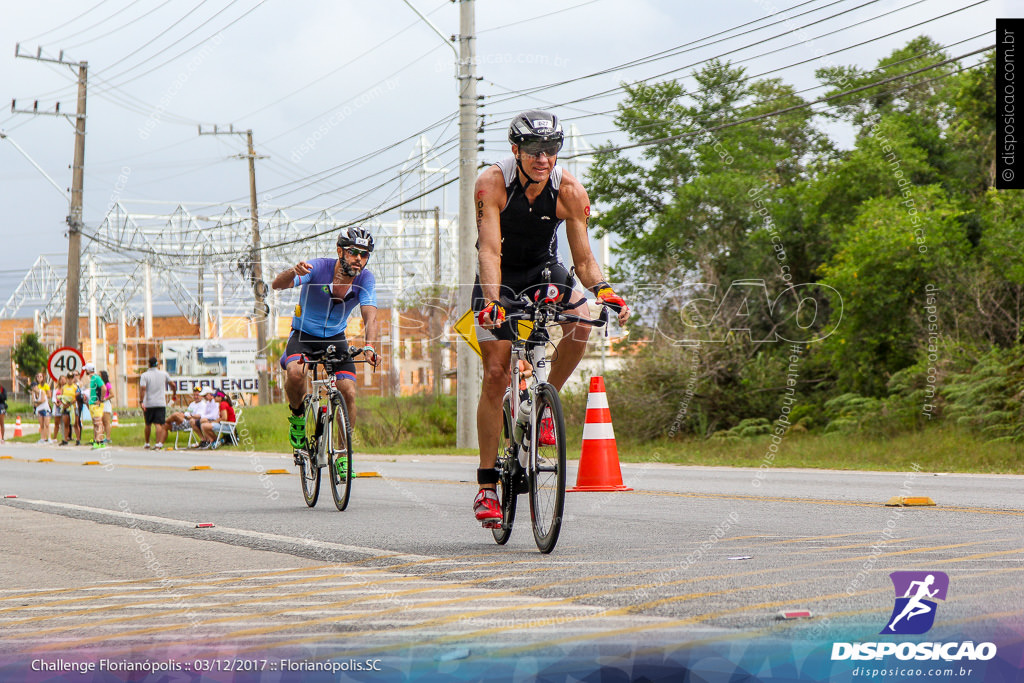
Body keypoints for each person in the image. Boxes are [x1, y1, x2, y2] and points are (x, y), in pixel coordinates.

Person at [471, 110, 631, 528]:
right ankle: (487, 484)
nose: (544, 158)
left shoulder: (570, 191)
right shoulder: (491, 183)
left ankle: (544, 405)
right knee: (494, 373)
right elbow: (489, 251)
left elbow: (583, 258)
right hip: (499, 277)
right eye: (534, 150)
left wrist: (604, 291)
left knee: (582, 318)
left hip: (544, 270)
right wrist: (492, 301)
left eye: (552, 149)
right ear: (516, 150)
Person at [271, 226, 381, 460]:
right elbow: (276, 285)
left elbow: (370, 316)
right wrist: (293, 271)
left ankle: (342, 455)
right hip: (304, 335)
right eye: (354, 253)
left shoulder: (366, 279)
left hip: (335, 338)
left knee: (348, 391)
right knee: (295, 373)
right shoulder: (318, 267)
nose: (359, 259)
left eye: (364, 255)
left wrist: (370, 346)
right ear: (340, 251)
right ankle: (298, 418)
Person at [139, 357, 174, 450]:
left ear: (149, 364)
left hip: (149, 402)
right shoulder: (163, 374)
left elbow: (143, 389)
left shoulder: (145, 375)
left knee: (148, 424)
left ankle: (147, 443)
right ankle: (158, 443)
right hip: (160, 402)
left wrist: (141, 401)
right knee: (159, 424)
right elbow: (173, 385)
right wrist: (174, 394)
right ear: (157, 364)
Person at [82, 363, 107, 450]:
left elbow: (104, 388)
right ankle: (99, 440)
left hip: (97, 404)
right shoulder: (92, 379)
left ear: (88, 370)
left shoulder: (96, 378)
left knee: (98, 422)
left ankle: (98, 441)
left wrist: (101, 399)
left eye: (86, 370)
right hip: (92, 403)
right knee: (95, 423)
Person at [31, 372, 52, 444]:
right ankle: (43, 438)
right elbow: (34, 401)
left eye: (35, 386)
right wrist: (36, 403)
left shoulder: (42, 391)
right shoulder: (33, 393)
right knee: (41, 425)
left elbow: (43, 400)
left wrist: (37, 403)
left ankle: (49, 438)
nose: (34, 388)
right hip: (39, 410)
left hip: (45, 408)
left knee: (47, 424)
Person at [99, 370, 114, 445]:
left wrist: (105, 398)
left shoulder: (107, 384)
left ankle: (108, 437)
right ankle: (101, 437)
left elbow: (112, 394)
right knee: (101, 422)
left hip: (106, 403)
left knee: (106, 421)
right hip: (100, 403)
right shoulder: (99, 384)